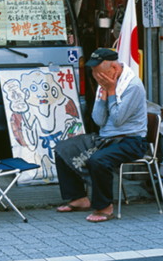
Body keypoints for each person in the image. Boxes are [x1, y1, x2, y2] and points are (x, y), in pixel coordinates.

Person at [53, 48, 147, 222]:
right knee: (62, 149)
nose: (96, 76)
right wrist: (103, 93)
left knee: (98, 160)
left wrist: (111, 91)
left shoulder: (133, 85)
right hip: (105, 138)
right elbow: (98, 120)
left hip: (131, 140)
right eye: (94, 73)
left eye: (99, 73)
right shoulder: (104, 82)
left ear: (114, 68)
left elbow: (118, 120)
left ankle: (105, 206)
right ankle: (78, 198)